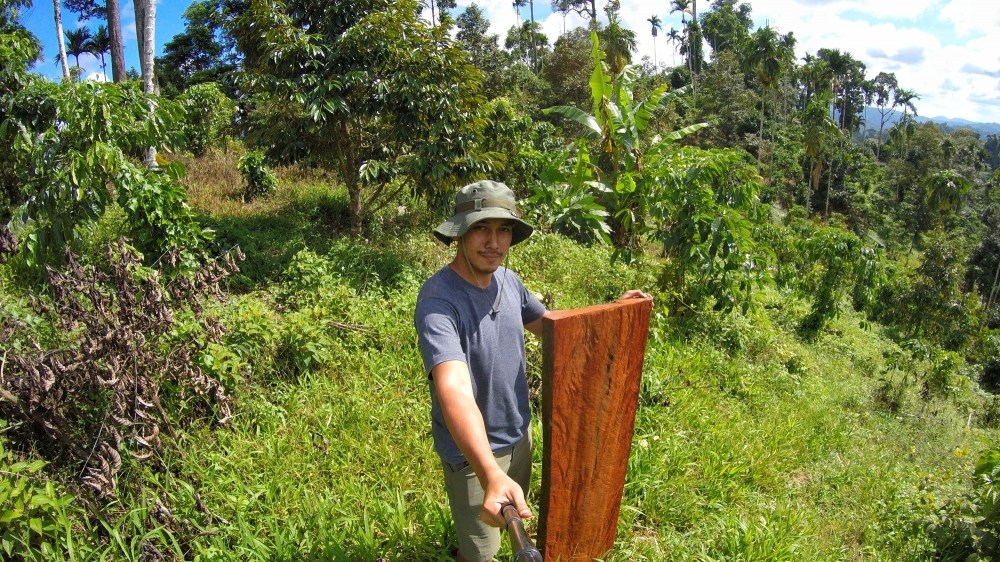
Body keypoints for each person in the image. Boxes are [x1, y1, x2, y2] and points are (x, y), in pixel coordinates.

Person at [413, 180, 649, 562]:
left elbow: (555, 329)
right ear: (460, 233)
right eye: (481, 228)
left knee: (512, 520)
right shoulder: (439, 301)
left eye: (503, 229)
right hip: (473, 454)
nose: (494, 241)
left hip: (520, 435)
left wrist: (612, 311)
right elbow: (453, 387)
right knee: (479, 553)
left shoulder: (509, 281)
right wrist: (490, 472)